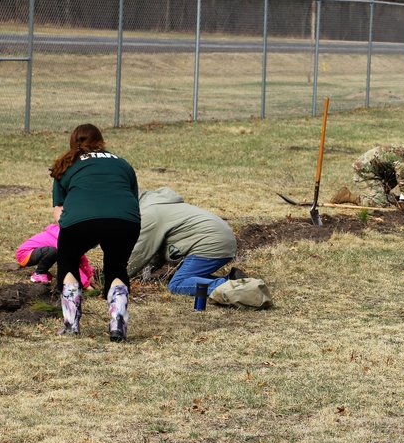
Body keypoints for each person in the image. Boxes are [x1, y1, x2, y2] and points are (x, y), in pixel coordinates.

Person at [50, 124, 140, 341]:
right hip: (125, 220)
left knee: (68, 261)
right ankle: (118, 321)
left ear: (73, 141)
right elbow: (131, 198)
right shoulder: (121, 163)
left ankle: (71, 324)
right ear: (101, 141)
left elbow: (58, 213)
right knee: (116, 267)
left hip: (80, 220)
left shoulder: (65, 165)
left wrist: (73, 233)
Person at [126, 188, 242, 297]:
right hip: (219, 240)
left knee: (177, 284)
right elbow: (153, 249)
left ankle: (240, 288)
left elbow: (139, 251)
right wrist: (146, 273)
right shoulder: (157, 204)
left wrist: (114, 277)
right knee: (187, 279)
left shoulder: (149, 213)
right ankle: (232, 280)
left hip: (211, 244)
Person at [332, 140, 404, 215]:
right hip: (366, 173)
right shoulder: (401, 161)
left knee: (399, 193)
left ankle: (394, 199)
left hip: (380, 173)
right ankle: (348, 196)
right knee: (379, 205)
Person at [16, 224, 94, 286]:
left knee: (55, 252)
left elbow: (81, 258)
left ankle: (43, 272)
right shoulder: (63, 240)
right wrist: (86, 285)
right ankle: (38, 274)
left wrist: (90, 275)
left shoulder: (71, 238)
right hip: (24, 255)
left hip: (35, 252)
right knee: (53, 251)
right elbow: (71, 263)